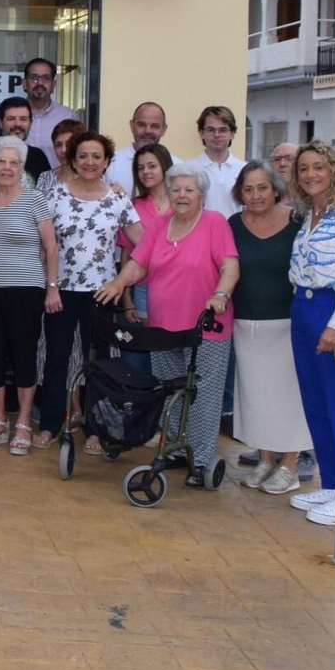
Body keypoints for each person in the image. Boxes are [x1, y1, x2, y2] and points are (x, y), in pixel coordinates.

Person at [97, 164, 238, 486]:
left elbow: (230, 265)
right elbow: (138, 264)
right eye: (176, 190)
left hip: (206, 328)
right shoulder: (160, 225)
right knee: (169, 390)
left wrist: (220, 293)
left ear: (202, 195)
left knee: (202, 395)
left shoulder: (214, 223)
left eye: (189, 190)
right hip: (163, 328)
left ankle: (200, 460)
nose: (182, 195)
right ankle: (175, 448)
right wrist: (118, 284)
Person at [40, 131, 141, 451]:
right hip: (62, 290)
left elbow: (145, 243)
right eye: (83, 156)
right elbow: (44, 246)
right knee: (56, 359)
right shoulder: (55, 195)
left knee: (97, 363)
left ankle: (96, 430)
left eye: (97, 156)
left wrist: (122, 280)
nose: (89, 162)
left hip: (103, 294)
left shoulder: (117, 198)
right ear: (73, 159)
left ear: (107, 161)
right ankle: (50, 424)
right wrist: (49, 285)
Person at [287, 140, 335, 527]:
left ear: (333, 169)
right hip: (302, 306)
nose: (310, 174)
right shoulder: (311, 213)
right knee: (315, 403)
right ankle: (332, 484)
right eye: (303, 168)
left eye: (318, 166)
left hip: (329, 310)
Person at [227, 161, 310, 495]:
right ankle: (265, 459)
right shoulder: (234, 224)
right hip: (246, 323)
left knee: (288, 398)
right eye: (248, 189)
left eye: (262, 187)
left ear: (276, 189)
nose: (256, 195)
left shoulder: (297, 222)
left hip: (287, 324)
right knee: (255, 396)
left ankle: (290, 466)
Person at [0, 135, 58, 456]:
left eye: (13, 163)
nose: (7, 168)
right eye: (1, 161)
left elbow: (51, 247)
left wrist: (52, 287)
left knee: (24, 356)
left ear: (22, 168)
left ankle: (23, 421)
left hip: (28, 290)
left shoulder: (35, 200)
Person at [118, 143, 173, 375]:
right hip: (142, 288)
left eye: (152, 166)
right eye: (140, 168)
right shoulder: (134, 206)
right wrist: (127, 298)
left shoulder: (183, 202)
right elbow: (127, 255)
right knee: (149, 350)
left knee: (172, 351)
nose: (146, 172)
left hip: (177, 287)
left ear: (165, 168)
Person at [106, 102, 176, 193]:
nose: (148, 131)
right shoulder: (111, 163)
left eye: (155, 126)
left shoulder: (176, 165)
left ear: (164, 129)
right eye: (142, 125)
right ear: (132, 126)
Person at [22, 57, 76, 168]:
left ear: (53, 85)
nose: (40, 83)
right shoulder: (14, 117)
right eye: (34, 78)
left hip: (57, 182)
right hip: (21, 183)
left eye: (46, 78)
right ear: (24, 83)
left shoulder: (68, 116)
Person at [191, 105, 242, 218]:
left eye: (223, 130)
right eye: (211, 130)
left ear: (232, 134)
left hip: (235, 234)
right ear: (201, 133)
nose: (217, 135)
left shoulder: (245, 169)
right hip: (200, 234)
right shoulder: (188, 169)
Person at [0, 96, 53, 189]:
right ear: (0, 122)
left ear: (31, 123)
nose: (18, 124)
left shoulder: (38, 157)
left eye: (23, 119)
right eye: (11, 119)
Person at [35, 118, 85, 202]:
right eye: (58, 145)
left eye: (69, 144)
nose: (64, 150)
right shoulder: (45, 178)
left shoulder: (95, 177)